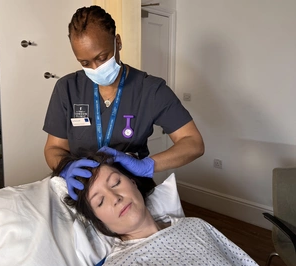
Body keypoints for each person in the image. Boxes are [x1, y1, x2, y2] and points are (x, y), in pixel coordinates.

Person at [53, 151, 273, 266]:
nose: (115, 198)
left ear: (133, 182)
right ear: (98, 221)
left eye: (116, 182)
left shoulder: (196, 227)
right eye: (100, 201)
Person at [43, 5, 204, 200]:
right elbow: (53, 148)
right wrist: (67, 167)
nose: (95, 68)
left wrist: (147, 165)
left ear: (117, 42)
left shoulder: (151, 90)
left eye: (102, 58)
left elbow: (193, 143)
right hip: (83, 188)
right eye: (85, 63)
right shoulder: (67, 88)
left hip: (130, 188)